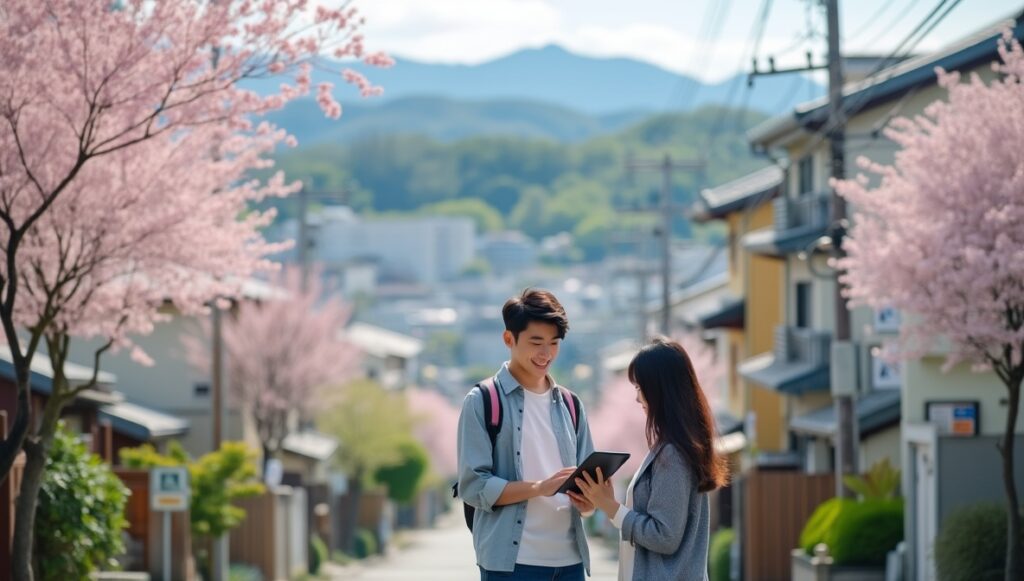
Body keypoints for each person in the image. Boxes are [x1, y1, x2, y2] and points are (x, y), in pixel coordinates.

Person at [457, 288, 595, 581]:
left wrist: (589, 503)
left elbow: (588, 480)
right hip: (511, 565)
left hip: (571, 563)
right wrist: (538, 488)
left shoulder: (571, 404)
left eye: (554, 343)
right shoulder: (483, 400)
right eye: (536, 342)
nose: (546, 354)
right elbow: (473, 485)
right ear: (509, 339)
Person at [571, 337, 727, 581]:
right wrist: (610, 504)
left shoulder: (673, 454)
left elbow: (664, 537)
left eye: (639, 388)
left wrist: (611, 508)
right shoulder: (677, 446)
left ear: (658, 390)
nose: (637, 398)